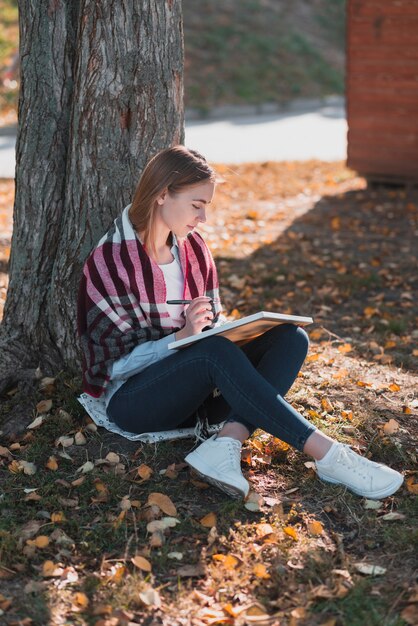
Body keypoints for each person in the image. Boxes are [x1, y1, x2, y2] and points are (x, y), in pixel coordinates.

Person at [77, 145, 404, 500]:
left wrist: (235, 331)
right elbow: (114, 366)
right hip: (135, 403)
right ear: (161, 195)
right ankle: (329, 456)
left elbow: (212, 326)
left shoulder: (195, 251)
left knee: (290, 337)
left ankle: (225, 443)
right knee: (212, 351)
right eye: (196, 205)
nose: (203, 218)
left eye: (206, 207)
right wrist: (183, 338)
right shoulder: (111, 261)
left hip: (197, 395)